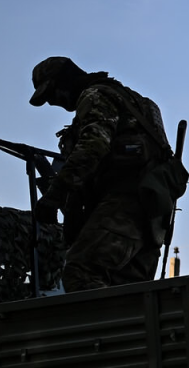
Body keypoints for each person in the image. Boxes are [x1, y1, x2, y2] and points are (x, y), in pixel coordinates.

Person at [29, 56, 175, 291]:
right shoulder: (141, 104)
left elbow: (93, 146)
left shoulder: (95, 96)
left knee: (80, 272)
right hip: (153, 214)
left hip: (124, 205)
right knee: (130, 290)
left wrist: (53, 198)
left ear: (64, 82)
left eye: (52, 94)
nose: (53, 103)